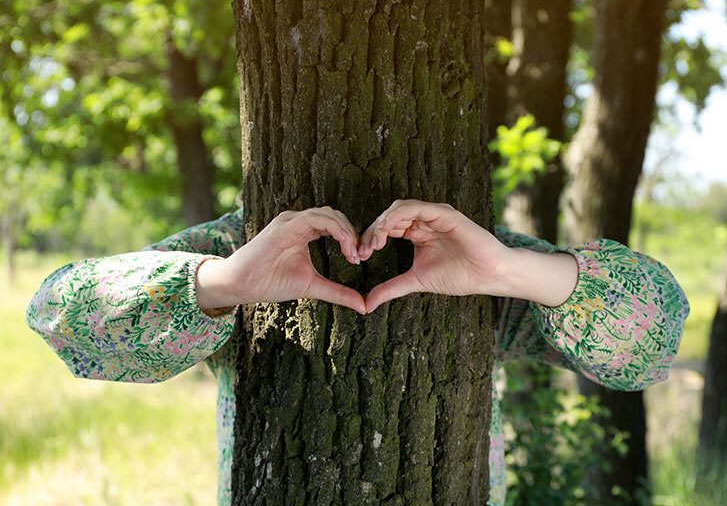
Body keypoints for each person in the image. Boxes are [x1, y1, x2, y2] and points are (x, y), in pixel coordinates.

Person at [25, 198, 689, 505]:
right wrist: (226, 283)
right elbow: (62, 318)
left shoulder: (474, 253)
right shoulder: (242, 242)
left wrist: (508, 270)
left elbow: (651, 346)